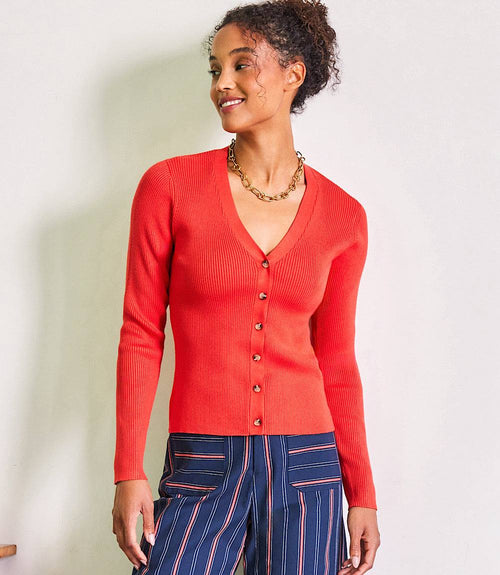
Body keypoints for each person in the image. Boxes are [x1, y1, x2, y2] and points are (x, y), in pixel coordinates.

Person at [111, 1, 381, 574]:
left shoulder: (344, 217)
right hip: (202, 459)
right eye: (215, 70)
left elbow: (336, 360)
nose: (221, 84)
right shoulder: (170, 187)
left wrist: (362, 494)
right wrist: (128, 470)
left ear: (292, 73)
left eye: (241, 65)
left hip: (308, 464)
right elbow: (140, 333)